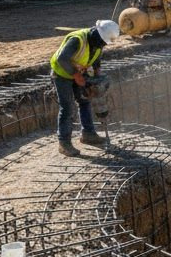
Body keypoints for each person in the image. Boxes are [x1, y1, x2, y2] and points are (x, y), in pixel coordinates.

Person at [50, 19, 121, 156]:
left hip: (78, 73)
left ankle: (88, 134)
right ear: (96, 32)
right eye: (102, 41)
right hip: (61, 75)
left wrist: (97, 73)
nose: (102, 45)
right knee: (67, 107)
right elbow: (62, 59)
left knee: (85, 101)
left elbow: (96, 56)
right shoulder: (77, 39)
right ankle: (64, 143)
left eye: (104, 43)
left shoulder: (98, 42)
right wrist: (77, 76)